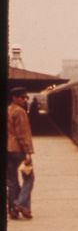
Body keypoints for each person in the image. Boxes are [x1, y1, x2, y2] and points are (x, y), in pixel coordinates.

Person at [7, 87, 35, 219]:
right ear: (14, 98)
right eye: (22, 97)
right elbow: (22, 134)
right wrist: (28, 152)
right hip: (18, 150)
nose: (25, 100)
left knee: (12, 181)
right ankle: (20, 204)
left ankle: (14, 210)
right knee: (29, 178)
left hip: (7, 151)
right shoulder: (20, 112)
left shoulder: (8, 110)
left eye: (26, 97)